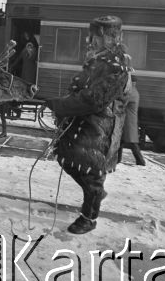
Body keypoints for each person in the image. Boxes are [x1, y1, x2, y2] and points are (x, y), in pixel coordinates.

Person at [45, 15, 131, 234]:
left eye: (93, 36)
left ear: (106, 37)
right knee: (68, 157)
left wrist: (60, 105)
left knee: (90, 171)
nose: (89, 40)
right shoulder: (101, 59)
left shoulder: (115, 65)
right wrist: (64, 104)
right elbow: (83, 88)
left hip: (99, 128)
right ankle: (95, 195)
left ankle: (89, 217)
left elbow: (94, 99)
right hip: (87, 123)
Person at [118, 76, 146, 166]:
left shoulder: (132, 92)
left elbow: (123, 101)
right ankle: (117, 160)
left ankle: (141, 161)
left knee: (132, 143)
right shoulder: (134, 90)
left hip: (129, 121)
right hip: (128, 121)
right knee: (120, 141)